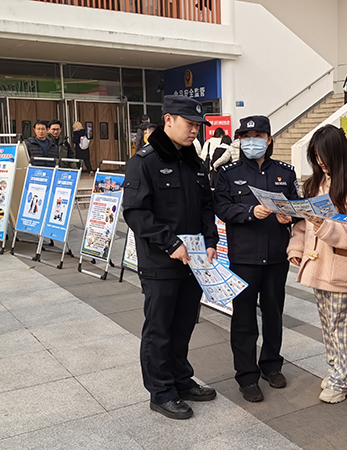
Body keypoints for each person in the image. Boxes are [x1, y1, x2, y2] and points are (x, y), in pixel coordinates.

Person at [122, 95, 218, 420]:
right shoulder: (144, 162)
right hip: (161, 261)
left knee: (183, 324)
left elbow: (206, 206)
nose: (194, 131)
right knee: (159, 329)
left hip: (193, 263)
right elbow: (136, 212)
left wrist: (211, 240)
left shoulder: (195, 162)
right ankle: (161, 392)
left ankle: (181, 379)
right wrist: (170, 243)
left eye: (198, 126)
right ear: (168, 120)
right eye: (189, 124)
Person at [214, 115, 299, 403]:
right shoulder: (228, 173)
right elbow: (222, 207)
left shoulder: (285, 172)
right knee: (244, 318)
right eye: (246, 137)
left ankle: (271, 365)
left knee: (274, 314)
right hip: (244, 258)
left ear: (269, 139)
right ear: (239, 140)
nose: (252, 142)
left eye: (258, 137)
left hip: (276, 257)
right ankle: (247, 376)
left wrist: (289, 216)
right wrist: (250, 212)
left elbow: (295, 206)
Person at [286, 124, 347, 404]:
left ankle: (343, 379)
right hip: (318, 265)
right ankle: (339, 371)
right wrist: (296, 247)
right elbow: (304, 224)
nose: (320, 161)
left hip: (343, 268)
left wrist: (324, 227)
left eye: (324, 155)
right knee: (328, 324)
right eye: (315, 156)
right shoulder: (316, 183)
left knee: (343, 325)